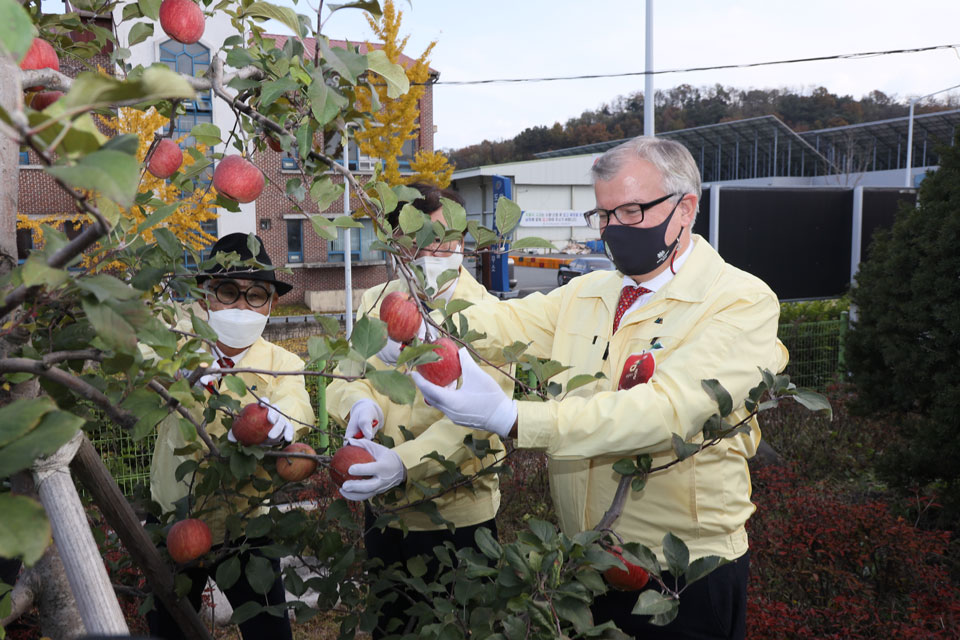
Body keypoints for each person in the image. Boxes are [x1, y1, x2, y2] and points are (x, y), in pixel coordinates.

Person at [410, 137, 789, 639]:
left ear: (686, 209)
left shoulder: (739, 302)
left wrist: (515, 418)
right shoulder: (589, 292)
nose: (613, 229)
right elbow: (501, 321)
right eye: (603, 214)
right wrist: (423, 330)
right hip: (586, 564)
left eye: (631, 211)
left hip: (682, 576)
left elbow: (667, 411)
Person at [325, 184, 510, 638]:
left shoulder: (487, 316)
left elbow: (478, 425)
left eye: (448, 239)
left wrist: (402, 464)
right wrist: (357, 402)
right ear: (398, 243)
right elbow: (345, 375)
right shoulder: (376, 302)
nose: (435, 251)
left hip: (460, 514)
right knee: (392, 625)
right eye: (420, 239)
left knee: (464, 627)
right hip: (386, 512)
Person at [147, 233, 314, 640]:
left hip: (246, 528)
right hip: (174, 519)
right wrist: (183, 369)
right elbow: (141, 355)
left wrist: (282, 418)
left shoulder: (282, 362)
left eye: (256, 295)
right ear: (206, 295)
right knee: (168, 629)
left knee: (269, 631)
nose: (241, 305)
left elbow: (296, 400)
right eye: (228, 291)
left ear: (272, 304)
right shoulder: (175, 346)